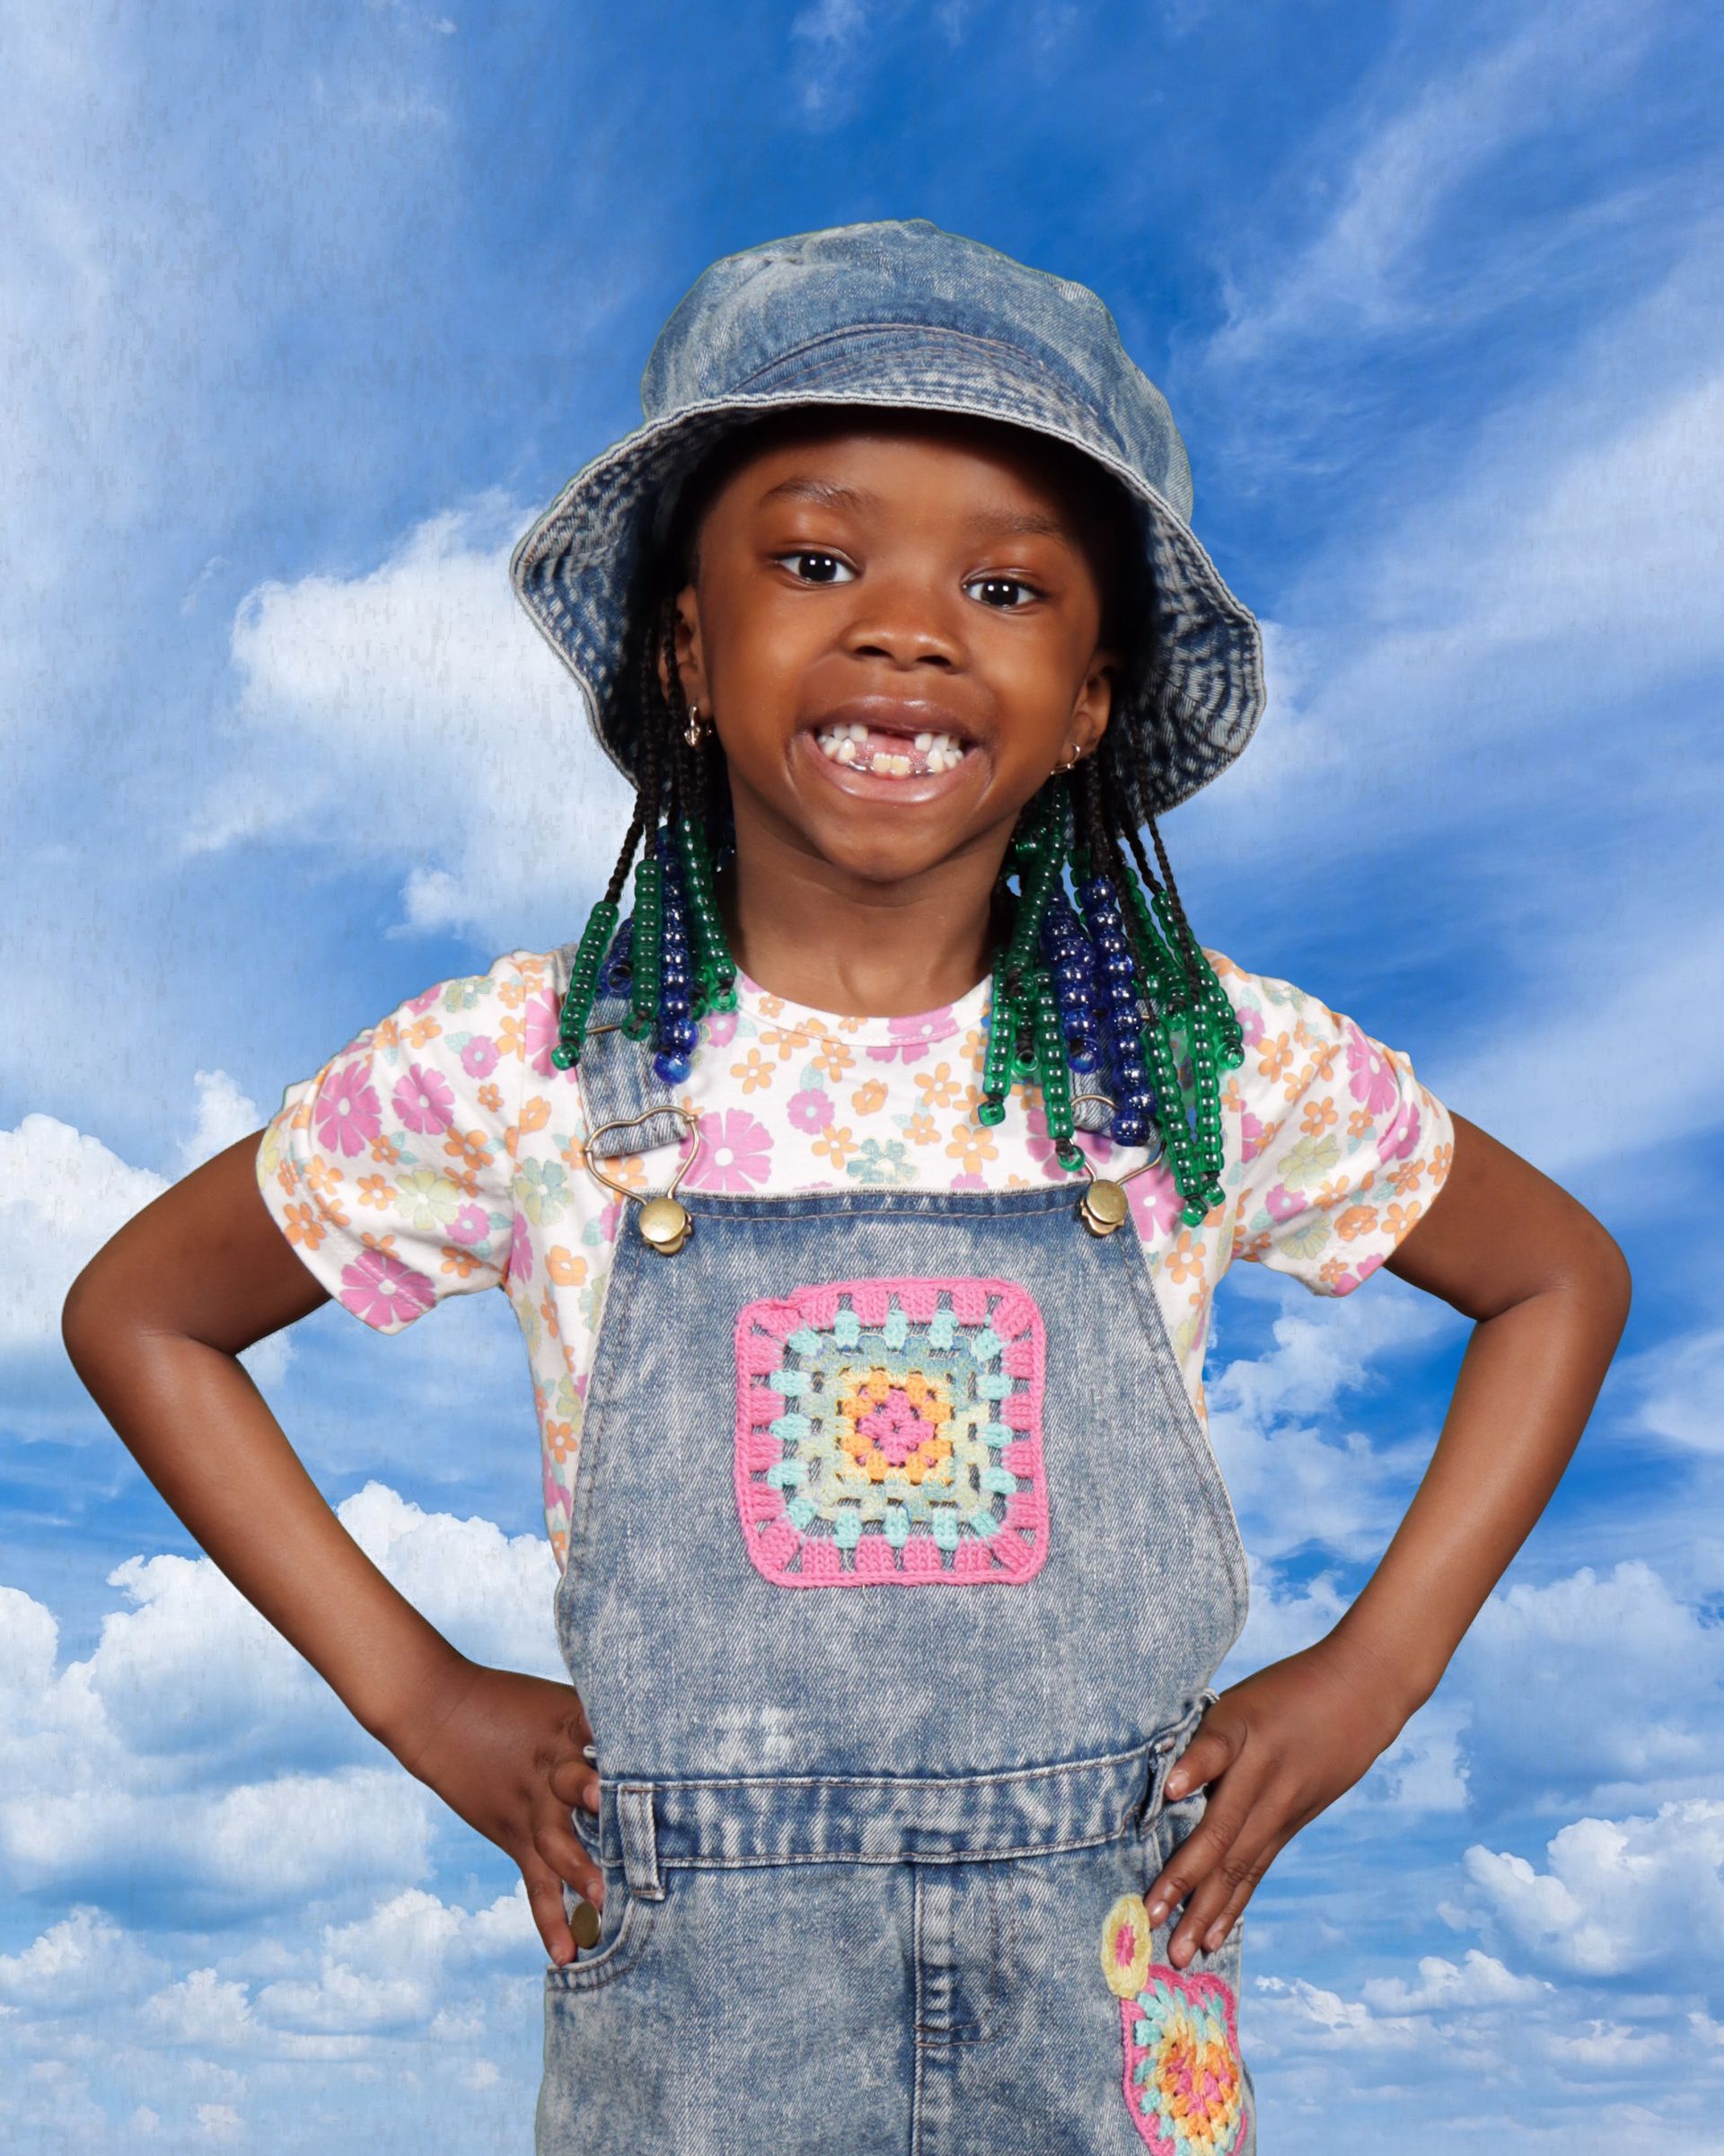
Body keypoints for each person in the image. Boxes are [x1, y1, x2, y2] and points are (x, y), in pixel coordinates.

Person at [62, 218, 1632, 2155]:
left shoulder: (1195, 1068)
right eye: (817, 560)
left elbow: (1559, 1274)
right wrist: (419, 1696)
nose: (908, 623)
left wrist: (1378, 1671)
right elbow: (141, 1309)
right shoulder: (528, 1069)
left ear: (1089, 705)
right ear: (687, 650)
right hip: (698, 2059)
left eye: (1005, 583)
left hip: (1111, 2019)